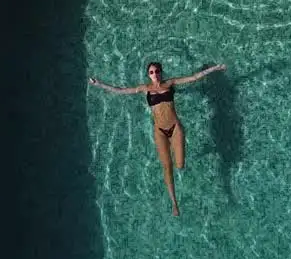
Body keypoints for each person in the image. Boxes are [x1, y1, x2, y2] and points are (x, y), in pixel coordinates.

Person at [89, 62, 227, 216]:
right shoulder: (145, 88)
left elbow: (194, 77)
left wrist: (215, 69)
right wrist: (99, 84)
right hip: (160, 131)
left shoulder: (170, 83)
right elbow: (120, 91)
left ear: (161, 72)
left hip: (175, 127)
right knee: (167, 167)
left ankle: (190, 150)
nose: (154, 74)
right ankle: (174, 203)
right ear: (148, 75)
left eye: (157, 71)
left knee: (180, 165)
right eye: (151, 72)